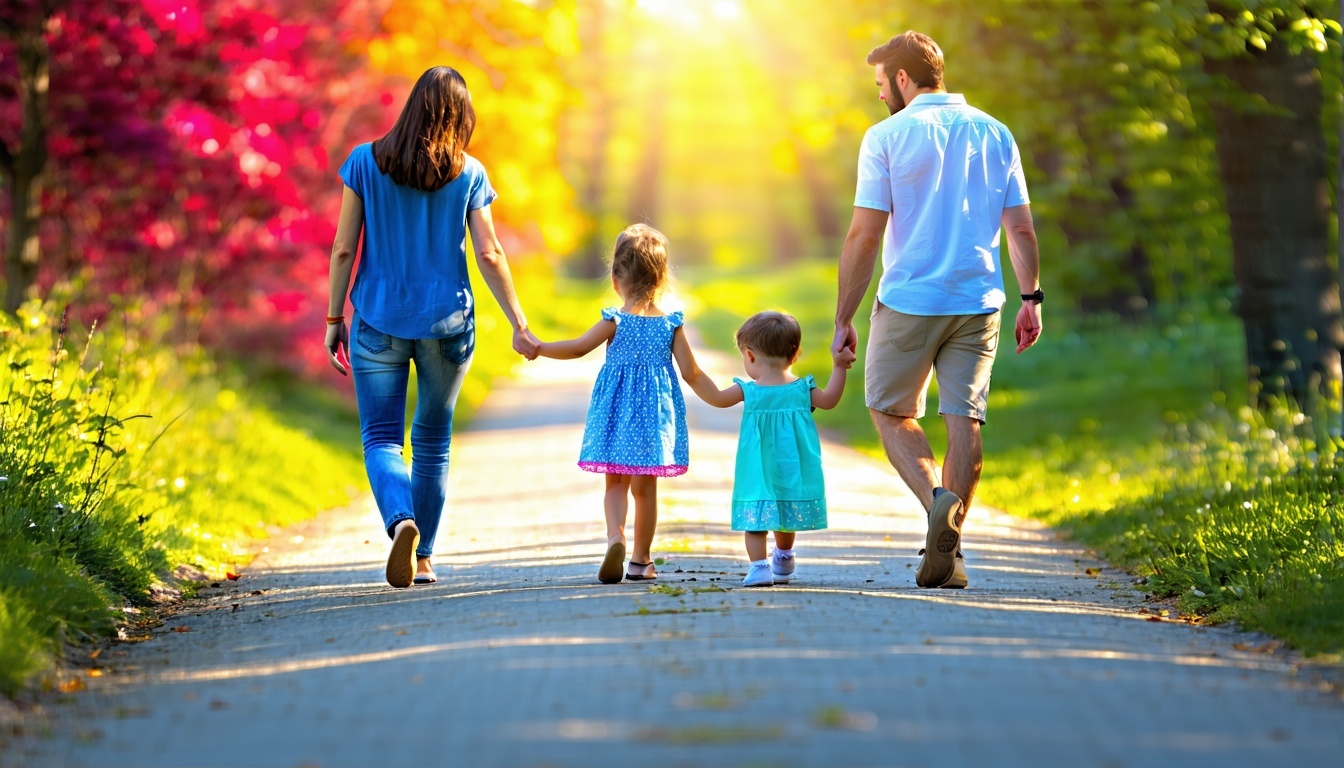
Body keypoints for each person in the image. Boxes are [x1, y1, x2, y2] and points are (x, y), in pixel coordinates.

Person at [831, 31, 1042, 590]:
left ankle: (935, 504)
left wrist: (843, 317)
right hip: (978, 302)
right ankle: (951, 552)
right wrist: (1031, 297)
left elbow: (863, 235)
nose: (879, 95)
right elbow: (1019, 226)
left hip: (909, 300)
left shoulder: (885, 137)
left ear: (903, 79)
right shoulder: (996, 132)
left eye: (881, 84)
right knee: (964, 420)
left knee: (890, 410)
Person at [325, 66, 537, 589]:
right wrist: (519, 322)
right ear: (461, 116)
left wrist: (334, 318)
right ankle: (423, 561)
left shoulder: (364, 163)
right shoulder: (469, 173)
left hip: (377, 319)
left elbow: (344, 248)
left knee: (381, 439)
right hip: (448, 324)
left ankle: (402, 521)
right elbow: (489, 251)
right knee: (433, 442)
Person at [532, 223, 724, 584]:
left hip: (616, 411)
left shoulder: (614, 321)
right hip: (654, 418)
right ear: (662, 278)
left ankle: (615, 537)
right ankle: (640, 560)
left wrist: (539, 347)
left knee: (615, 484)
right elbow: (693, 374)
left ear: (615, 277)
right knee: (645, 488)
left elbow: (576, 348)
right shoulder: (671, 324)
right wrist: (725, 397)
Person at [689, 311, 855, 587]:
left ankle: (759, 567)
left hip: (757, 467)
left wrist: (693, 374)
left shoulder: (749, 390)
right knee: (785, 513)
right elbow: (830, 401)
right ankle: (784, 554)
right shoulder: (803, 389)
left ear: (750, 356)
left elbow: (716, 398)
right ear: (796, 353)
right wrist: (839, 367)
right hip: (793, 466)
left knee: (755, 519)